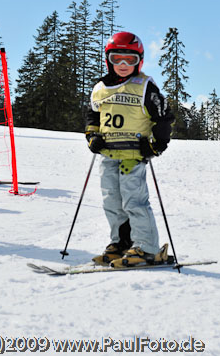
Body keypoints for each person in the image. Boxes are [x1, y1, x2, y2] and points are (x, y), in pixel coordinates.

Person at [85, 31, 175, 267]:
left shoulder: (145, 87)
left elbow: (164, 117)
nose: (123, 65)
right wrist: (92, 136)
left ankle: (147, 248)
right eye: (117, 59)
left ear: (139, 61)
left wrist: (156, 145)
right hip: (108, 154)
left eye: (130, 60)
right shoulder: (100, 87)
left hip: (133, 155)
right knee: (112, 202)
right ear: (108, 59)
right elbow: (93, 115)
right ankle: (122, 243)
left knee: (134, 202)